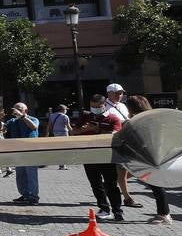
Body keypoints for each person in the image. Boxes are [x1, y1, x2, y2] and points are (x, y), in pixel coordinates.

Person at [72, 92, 123, 220]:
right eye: (92, 106)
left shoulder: (113, 118)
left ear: (104, 105)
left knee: (111, 184)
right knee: (95, 184)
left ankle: (117, 210)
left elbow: (115, 135)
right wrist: (82, 130)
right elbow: (73, 132)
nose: (94, 109)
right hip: (88, 155)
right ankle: (104, 208)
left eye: (97, 106)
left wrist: (98, 130)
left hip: (106, 156)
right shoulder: (85, 117)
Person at [128, 95, 173, 224]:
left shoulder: (139, 120)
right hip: (157, 153)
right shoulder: (152, 117)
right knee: (156, 185)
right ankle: (164, 213)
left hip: (149, 155)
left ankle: (164, 214)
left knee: (156, 185)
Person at [103, 84, 141, 209]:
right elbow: (107, 124)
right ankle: (127, 198)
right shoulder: (104, 107)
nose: (119, 95)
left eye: (121, 93)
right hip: (116, 142)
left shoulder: (122, 106)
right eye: (116, 93)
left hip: (128, 140)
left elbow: (127, 118)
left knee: (137, 168)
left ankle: (111, 185)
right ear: (108, 93)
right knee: (122, 169)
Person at [4, 102, 40, 204]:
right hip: (18, 151)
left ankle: (34, 196)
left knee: (31, 174)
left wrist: (22, 116)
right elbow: (0, 129)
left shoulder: (33, 119)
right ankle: (25, 195)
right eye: (14, 109)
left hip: (31, 151)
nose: (16, 111)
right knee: (20, 175)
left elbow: (34, 127)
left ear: (26, 111)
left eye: (19, 109)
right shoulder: (12, 121)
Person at [48, 104, 71, 170]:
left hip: (55, 133)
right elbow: (68, 127)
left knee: (59, 149)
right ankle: (63, 165)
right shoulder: (65, 116)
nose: (66, 111)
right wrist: (73, 133)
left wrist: (51, 132)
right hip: (64, 134)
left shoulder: (52, 115)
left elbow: (49, 125)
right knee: (64, 149)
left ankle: (61, 165)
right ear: (63, 110)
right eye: (66, 109)